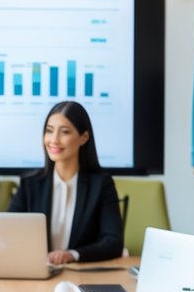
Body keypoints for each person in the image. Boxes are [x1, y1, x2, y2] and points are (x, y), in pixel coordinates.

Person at [7, 100, 124, 265]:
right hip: (36, 274)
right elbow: (6, 233)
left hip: (82, 276)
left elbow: (114, 243)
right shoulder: (29, 184)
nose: (54, 140)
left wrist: (72, 255)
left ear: (83, 137)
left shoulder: (101, 185)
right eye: (49, 131)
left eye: (65, 132)